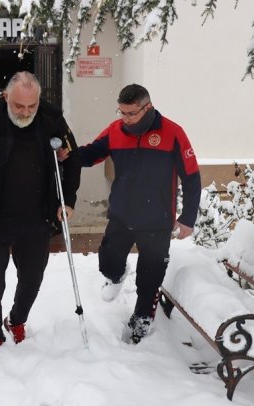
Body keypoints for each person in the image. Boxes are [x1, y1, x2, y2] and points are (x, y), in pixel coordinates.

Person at [0, 71, 81, 348]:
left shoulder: (51, 118)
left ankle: (17, 318)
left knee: (32, 279)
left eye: (31, 106)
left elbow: (72, 158)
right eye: (18, 106)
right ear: (7, 96)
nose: (25, 112)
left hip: (36, 216)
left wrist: (67, 200)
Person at [65, 84, 201, 344]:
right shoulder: (116, 130)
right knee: (108, 261)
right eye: (122, 113)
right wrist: (68, 155)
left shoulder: (172, 133)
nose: (125, 119)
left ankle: (142, 319)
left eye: (131, 114)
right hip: (122, 214)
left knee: (150, 275)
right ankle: (116, 275)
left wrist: (188, 218)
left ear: (147, 107)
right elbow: (92, 153)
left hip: (157, 219)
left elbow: (192, 177)